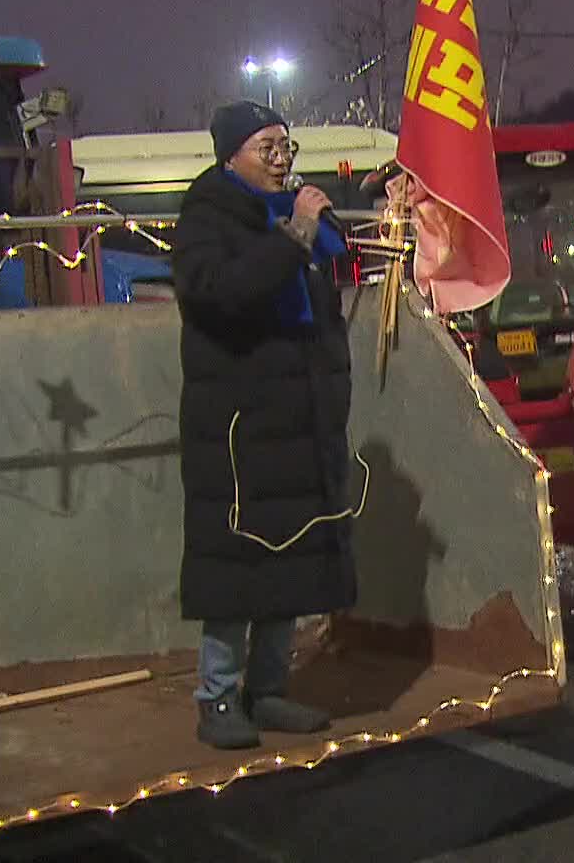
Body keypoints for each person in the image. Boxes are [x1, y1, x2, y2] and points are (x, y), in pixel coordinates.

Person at [172, 100, 357, 750]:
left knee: (290, 559)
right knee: (236, 565)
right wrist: (295, 236)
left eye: (286, 147)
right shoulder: (205, 221)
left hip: (296, 421)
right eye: (267, 148)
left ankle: (268, 688)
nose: (281, 161)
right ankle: (217, 696)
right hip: (238, 428)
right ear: (230, 156)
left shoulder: (287, 218)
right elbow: (225, 292)